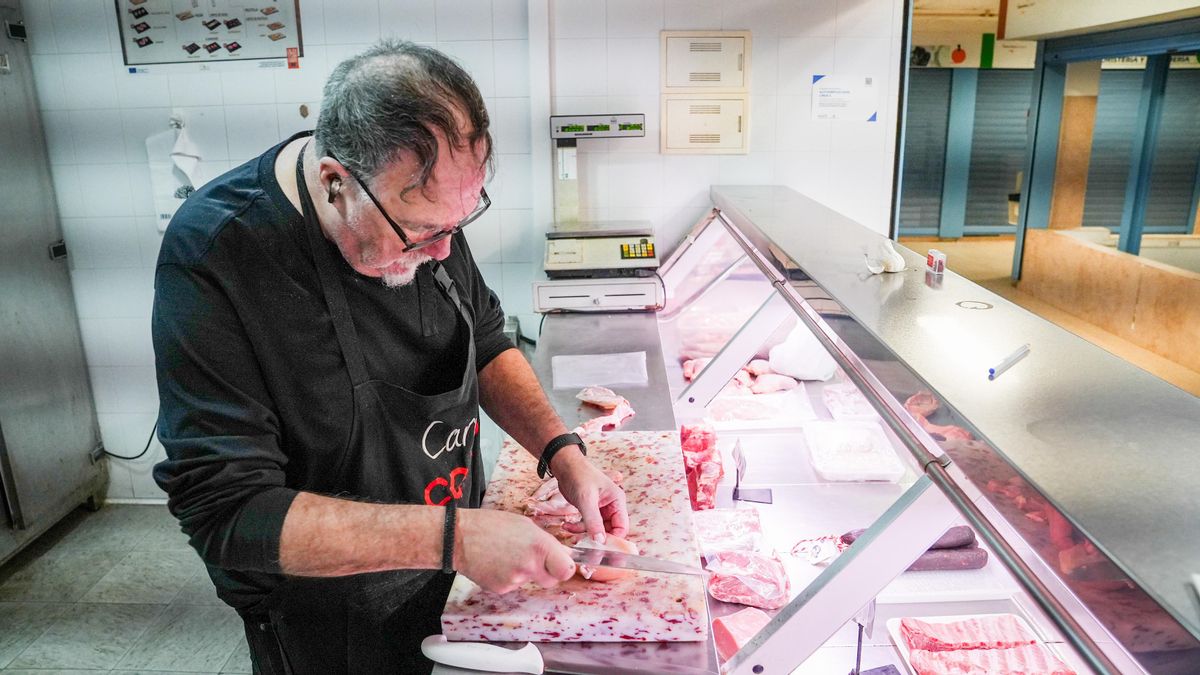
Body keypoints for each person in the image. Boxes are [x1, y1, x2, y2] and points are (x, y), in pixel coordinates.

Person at [151, 41, 628, 674]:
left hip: (454, 566)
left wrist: (560, 451)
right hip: (328, 611)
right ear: (335, 183)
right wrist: (453, 536)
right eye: (425, 233)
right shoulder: (216, 255)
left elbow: (483, 337)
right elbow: (227, 511)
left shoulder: (424, 207)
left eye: (460, 223)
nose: (442, 251)